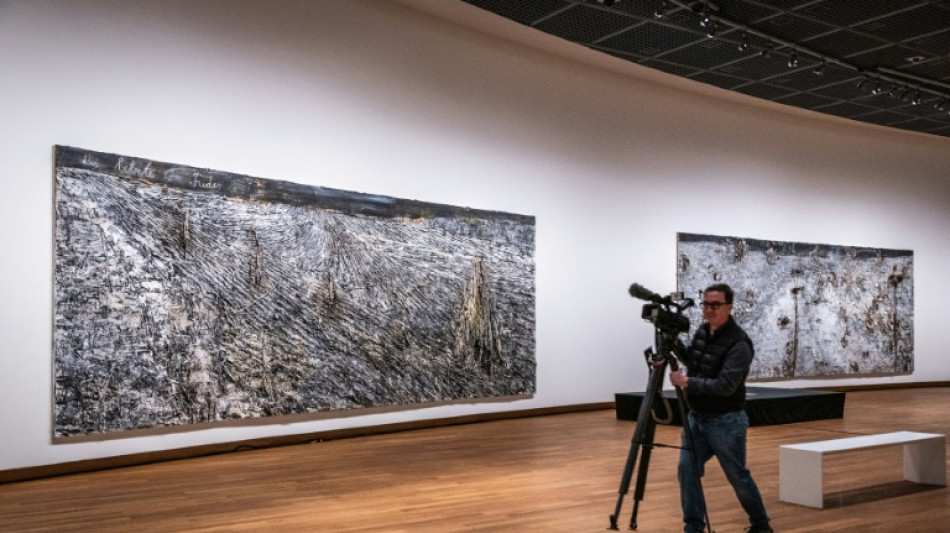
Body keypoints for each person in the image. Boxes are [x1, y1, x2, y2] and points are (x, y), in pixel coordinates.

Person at [669, 283, 772, 533]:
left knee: (737, 476)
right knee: (687, 470)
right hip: (696, 418)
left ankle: (761, 524)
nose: (709, 309)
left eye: (715, 304)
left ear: (729, 307)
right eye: (705, 304)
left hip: (726, 422)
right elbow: (695, 360)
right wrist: (673, 344)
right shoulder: (703, 331)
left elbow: (725, 386)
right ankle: (693, 527)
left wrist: (688, 382)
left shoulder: (739, 344)